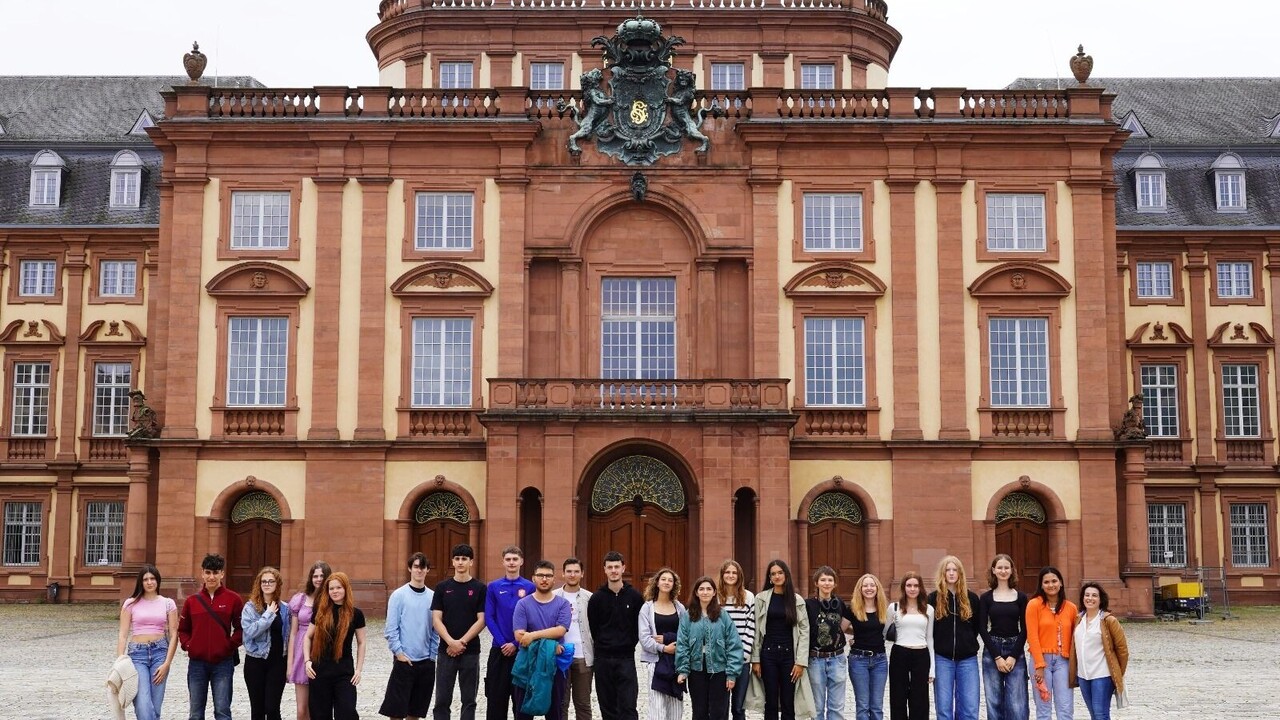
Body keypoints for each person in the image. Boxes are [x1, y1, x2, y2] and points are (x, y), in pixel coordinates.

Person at [179, 553, 244, 720]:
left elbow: (241, 629)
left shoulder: (234, 599)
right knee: (195, 713)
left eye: (215, 572)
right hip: (197, 664)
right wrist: (189, 645)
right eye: (208, 572)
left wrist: (229, 646)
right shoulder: (192, 601)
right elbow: (183, 630)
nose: (211, 577)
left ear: (222, 574)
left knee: (222, 712)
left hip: (223, 663)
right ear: (202, 573)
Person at [750, 559, 813, 720]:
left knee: (788, 701)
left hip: (789, 656)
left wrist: (801, 662)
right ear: (769, 578)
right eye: (773, 574)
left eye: (780, 573)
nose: (777, 576)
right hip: (768, 655)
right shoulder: (761, 598)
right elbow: (756, 630)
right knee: (770, 700)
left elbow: (804, 631)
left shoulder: (797, 600)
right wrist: (755, 659)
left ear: (786, 575)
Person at [512, 560, 573, 720]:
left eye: (548, 576)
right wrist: (551, 644)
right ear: (533, 578)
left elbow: (560, 630)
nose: (544, 579)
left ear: (554, 579)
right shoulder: (523, 604)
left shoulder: (563, 604)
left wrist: (532, 635)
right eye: (540, 575)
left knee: (555, 713)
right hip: (527, 663)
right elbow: (519, 637)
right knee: (523, 713)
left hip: (554, 664)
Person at [676, 575, 744, 720]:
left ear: (714, 592)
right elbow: (682, 644)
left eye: (708, 589)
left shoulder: (723, 615)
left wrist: (731, 673)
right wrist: (683, 669)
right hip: (697, 669)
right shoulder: (688, 616)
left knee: (719, 712)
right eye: (701, 589)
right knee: (699, 712)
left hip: (719, 669)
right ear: (696, 592)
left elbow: (733, 644)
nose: (705, 592)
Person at [432, 544, 487, 720]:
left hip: (470, 651)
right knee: (442, 700)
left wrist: (462, 642)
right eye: (457, 559)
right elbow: (436, 619)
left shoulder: (480, 588)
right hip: (446, 651)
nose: (460, 562)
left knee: (469, 700)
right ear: (453, 562)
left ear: (471, 562)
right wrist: (450, 642)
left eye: (464, 559)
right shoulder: (442, 587)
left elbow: (482, 620)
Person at [381, 553, 439, 720]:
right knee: (396, 712)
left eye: (422, 567)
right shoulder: (399, 595)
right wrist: (399, 654)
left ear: (427, 570)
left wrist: (432, 656)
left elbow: (436, 628)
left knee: (415, 712)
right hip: (404, 661)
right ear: (409, 569)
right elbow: (391, 629)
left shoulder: (433, 596)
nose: (419, 571)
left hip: (426, 661)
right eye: (416, 567)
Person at [587, 551, 644, 720]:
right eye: (610, 567)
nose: (613, 570)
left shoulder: (635, 597)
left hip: (626, 658)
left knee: (628, 706)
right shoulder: (597, 598)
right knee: (607, 707)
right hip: (603, 659)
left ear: (623, 568)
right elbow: (594, 628)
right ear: (604, 569)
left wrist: (628, 644)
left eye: (617, 567)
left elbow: (638, 626)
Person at [117, 564, 179, 720]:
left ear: (158, 581)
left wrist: (167, 663)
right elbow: (123, 634)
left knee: (155, 707)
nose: (149, 582)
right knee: (143, 705)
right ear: (141, 582)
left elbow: (174, 634)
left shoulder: (168, 603)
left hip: (160, 654)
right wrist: (120, 660)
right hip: (137, 655)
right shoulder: (130, 603)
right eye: (145, 579)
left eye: (152, 578)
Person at [304, 571, 367, 720]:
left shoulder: (356, 614)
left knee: (347, 713)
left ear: (346, 588)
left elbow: (362, 642)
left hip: (344, 672)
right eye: (331, 588)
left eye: (338, 587)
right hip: (319, 671)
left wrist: (358, 669)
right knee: (319, 715)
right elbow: (307, 637)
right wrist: (307, 661)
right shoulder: (320, 611)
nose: (335, 591)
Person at [929, 556, 981, 720]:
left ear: (960, 573)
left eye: (955, 570)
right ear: (942, 573)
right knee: (944, 709)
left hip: (968, 659)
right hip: (942, 659)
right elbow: (930, 630)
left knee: (970, 708)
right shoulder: (933, 599)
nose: (951, 573)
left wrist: (966, 643)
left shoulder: (972, 598)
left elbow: (976, 628)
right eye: (948, 570)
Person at [977, 555, 1029, 720]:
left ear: (1012, 570)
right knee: (994, 700)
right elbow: (982, 628)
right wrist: (997, 657)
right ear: (993, 570)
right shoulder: (986, 598)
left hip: (1015, 649)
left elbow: (1025, 629)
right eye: (999, 567)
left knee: (1017, 701)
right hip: (993, 650)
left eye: (1006, 567)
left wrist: (1013, 656)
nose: (1003, 571)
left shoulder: (1021, 597)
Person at [487, 546, 535, 720]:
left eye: (515, 559)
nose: (512, 562)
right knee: (496, 701)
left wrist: (515, 644)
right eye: (508, 559)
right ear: (503, 562)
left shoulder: (530, 587)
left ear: (521, 561)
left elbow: (532, 620)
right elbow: (489, 617)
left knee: (522, 703)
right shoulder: (493, 587)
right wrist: (503, 643)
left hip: (522, 650)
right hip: (499, 650)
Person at [1067, 583, 1128, 720]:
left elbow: (1122, 650)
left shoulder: (1108, 620)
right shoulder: (1078, 619)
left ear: (1101, 599)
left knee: (1101, 714)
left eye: (1094, 595)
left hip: (1102, 675)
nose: (1090, 598)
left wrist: (1117, 672)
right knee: (1094, 715)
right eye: (1087, 595)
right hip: (1083, 675)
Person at [1026, 567, 1076, 720]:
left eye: (1054, 581)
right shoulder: (1034, 605)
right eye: (1046, 582)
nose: (1051, 585)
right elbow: (1032, 636)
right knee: (1043, 709)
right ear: (1041, 586)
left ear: (1061, 583)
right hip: (1041, 661)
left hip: (1063, 662)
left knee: (1065, 709)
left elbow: (1075, 638)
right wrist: (1039, 665)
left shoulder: (1071, 608)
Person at [242, 566, 291, 720]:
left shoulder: (285, 609)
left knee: (272, 708)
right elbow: (250, 631)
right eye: (264, 581)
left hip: (278, 663)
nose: (267, 584)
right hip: (255, 662)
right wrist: (268, 615)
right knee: (257, 710)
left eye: (271, 581)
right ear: (259, 584)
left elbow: (289, 635)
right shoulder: (250, 607)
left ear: (277, 584)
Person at [640, 568, 687, 720]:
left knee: (675, 708)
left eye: (670, 580)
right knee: (657, 709)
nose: (666, 582)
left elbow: (686, 634)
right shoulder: (647, 608)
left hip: (677, 662)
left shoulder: (679, 608)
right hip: (656, 662)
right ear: (657, 583)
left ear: (674, 585)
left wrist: (670, 640)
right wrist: (664, 648)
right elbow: (644, 638)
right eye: (663, 579)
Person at [886, 571, 933, 720]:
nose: (912, 589)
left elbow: (930, 638)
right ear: (903, 587)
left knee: (920, 698)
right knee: (898, 696)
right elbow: (884, 632)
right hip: (899, 653)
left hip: (921, 653)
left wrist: (932, 668)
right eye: (909, 585)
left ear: (920, 588)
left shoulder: (928, 609)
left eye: (916, 585)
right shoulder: (894, 608)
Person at [289, 561, 332, 720]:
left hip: (322, 652)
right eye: (315, 576)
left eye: (322, 576)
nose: (319, 579)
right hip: (301, 652)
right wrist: (290, 664)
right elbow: (293, 633)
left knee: (318, 708)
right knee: (301, 710)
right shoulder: (300, 599)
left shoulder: (331, 600)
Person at [553, 557, 593, 720]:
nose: (572, 574)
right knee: (561, 703)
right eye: (569, 571)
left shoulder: (590, 598)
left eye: (576, 571)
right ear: (563, 573)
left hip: (583, 656)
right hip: (560, 655)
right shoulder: (554, 597)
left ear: (582, 574)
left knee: (583, 704)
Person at [806, 566, 847, 720]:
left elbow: (845, 624)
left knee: (836, 707)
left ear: (835, 583)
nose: (826, 583)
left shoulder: (839, 603)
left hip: (837, 658)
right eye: (823, 580)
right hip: (815, 659)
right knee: (816, 707)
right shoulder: (808, 604)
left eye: (830, 580)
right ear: (816, 583)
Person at [844, 573, 888, 720]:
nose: (869, 588)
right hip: (858, 660)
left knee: (877, 706)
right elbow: (841, 629)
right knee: (863, 705)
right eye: (865, 586)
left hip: (880, 661)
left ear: (877, 588)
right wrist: (855, 634)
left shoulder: (883, 608)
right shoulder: (853, 609)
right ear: (860, 589)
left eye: (872, 585)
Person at [717, 560, 755, 720]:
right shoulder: (715, 597)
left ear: (739, 576)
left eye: (734, 573)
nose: (731, 575)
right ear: (722, 575)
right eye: (727, 572)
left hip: (741, 660)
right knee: (721, 706)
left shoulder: (748, 597)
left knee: (739, 707)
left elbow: (750, 627)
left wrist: (742, 655)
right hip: (719, 659)